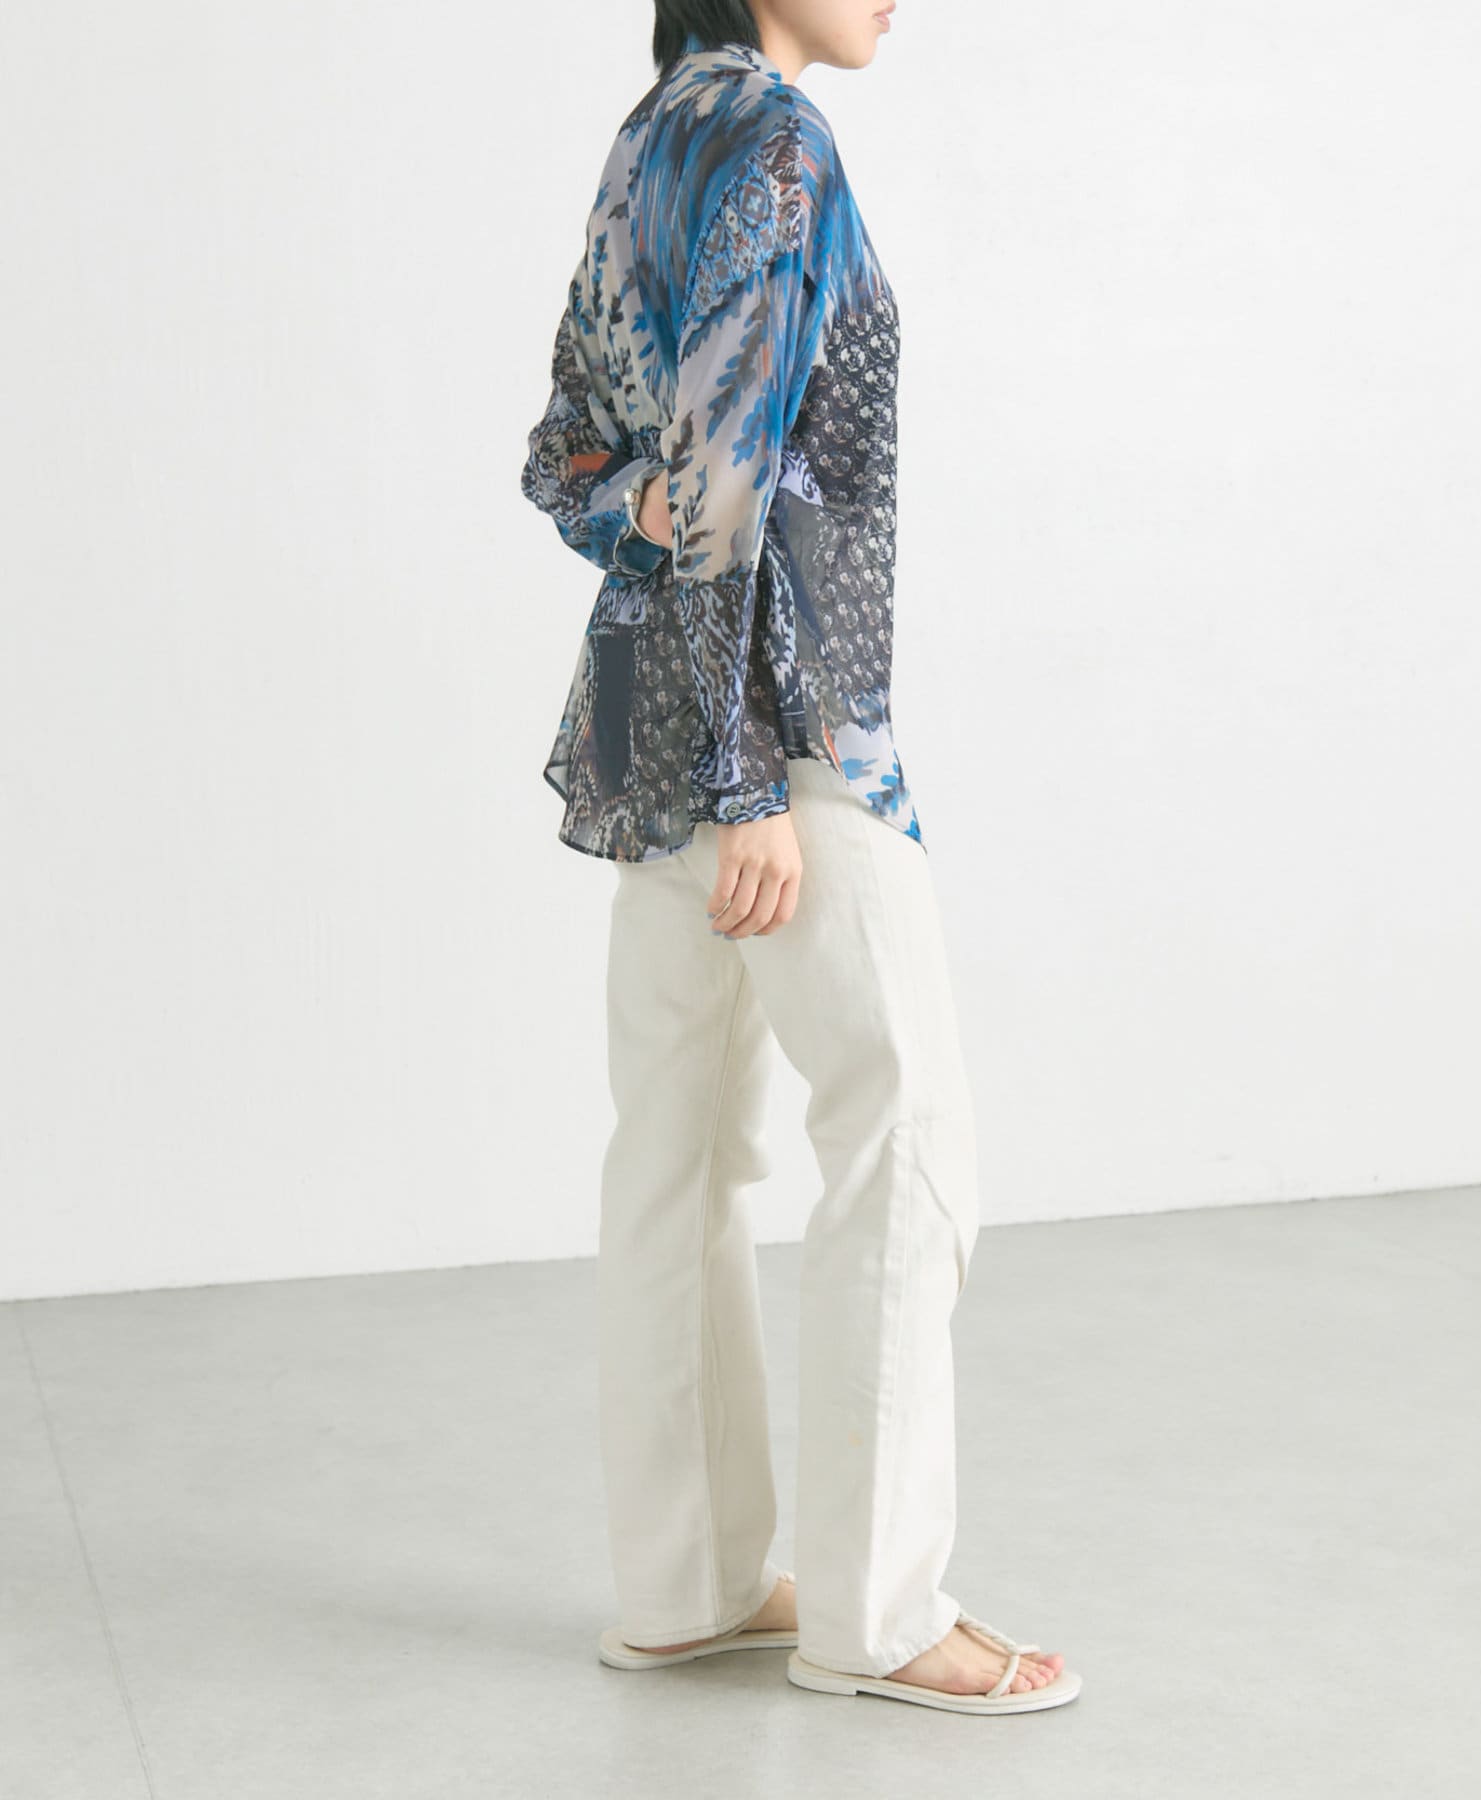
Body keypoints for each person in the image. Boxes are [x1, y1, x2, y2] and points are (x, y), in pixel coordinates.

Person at [519, 0, 1082, 1716]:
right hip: (777, 735)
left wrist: (661, 604)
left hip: (651, 720)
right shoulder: (778, 143)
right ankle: (880, 1612)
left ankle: (685, 1583)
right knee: (905, 1132)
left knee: (677, 1157)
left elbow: (567, 459)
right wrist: (747, 774)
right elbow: (725, 481)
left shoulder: (656, 134)